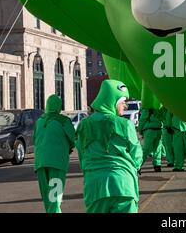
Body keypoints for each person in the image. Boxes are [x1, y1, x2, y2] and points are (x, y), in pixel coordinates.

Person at [76, 80, 143, 213]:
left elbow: (81, 153)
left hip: (95, 187)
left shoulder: (84, 125)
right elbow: (136, 153)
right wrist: (136, 166)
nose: (125, 105)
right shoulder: (125, 124)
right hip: (123, 185)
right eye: (123, 101)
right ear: (113, 100)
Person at [34, 94, 75, 213]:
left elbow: (35, 139)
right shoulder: (64, 121)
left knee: (47, 197)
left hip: (40, 162)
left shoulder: (39, 121)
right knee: (55, 196)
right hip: (57, 163)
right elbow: (73, 139)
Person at [138, 107, 163, 172]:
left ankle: (138, 165)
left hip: (149, 130)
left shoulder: (146, 108)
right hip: (158, 129)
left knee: (146, 149)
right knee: (157, 148)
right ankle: (157, 165)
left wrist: (140, 130)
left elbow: (142, 120)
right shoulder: (159, 108)